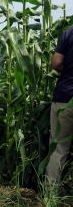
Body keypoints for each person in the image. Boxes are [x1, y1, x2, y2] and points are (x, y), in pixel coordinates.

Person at [45, 26, 73, 189]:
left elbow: (55, 63)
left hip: (65, 96)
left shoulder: (69, 32)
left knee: (59, 147)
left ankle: (50, 196)